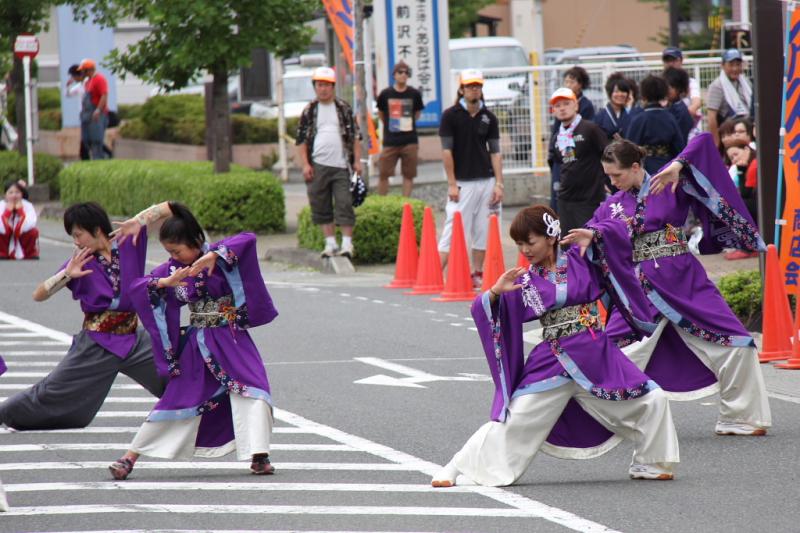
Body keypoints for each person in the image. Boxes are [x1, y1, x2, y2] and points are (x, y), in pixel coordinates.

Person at [431, 205, 679, 487]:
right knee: (517, 419)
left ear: (550, 237)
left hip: (597, 354)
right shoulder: (523, 281)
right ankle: (457, 466)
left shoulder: (582, 258)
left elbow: (620, 237)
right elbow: (484, 310)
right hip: (554, 358)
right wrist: (495, 293)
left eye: (531, 241)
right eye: (520, 243)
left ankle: (651, 462)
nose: (525, 249)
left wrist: (596, 235)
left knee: (652, 398)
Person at [594, 137, 771, 437]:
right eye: (608, 176)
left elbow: (703, 142)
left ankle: (741, 415)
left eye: (616, 175)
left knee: (738, 343)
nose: (612, 182)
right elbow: (592, 235)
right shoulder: (612, 205)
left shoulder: (669, 182)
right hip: (639, 290)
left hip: (684, 279)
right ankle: (612, 421)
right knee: (608, 354)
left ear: (636, 167)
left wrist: (678, 165)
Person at [107, 202, 279, 480]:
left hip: (232, 339)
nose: (174, 256)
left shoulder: (218, 256)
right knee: (177, 398)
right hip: (199, 345)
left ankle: (259, 456)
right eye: (169, 252)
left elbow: (248, 238)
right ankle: (129, 457)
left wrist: (216, 256)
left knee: (253, 390)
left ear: (196, 241)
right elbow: (137, 289)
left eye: (177, 250)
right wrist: (164, 284)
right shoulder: (173, 269)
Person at [0, 202, 165, 430]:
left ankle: (206, 414)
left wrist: (139, 220)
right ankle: (4, 413)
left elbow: (168, 208)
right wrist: (66, 275)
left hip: (134, 339)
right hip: (97, 343)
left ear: (96, 230)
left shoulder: (128, 242)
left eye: (78, 234)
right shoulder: (79, 262)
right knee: (50, 391)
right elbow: (38, 294)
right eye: (73, 236)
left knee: (173, 371)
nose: (76, 242)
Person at [438, 69, 504, 288]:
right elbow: (446, 152)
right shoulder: (450, 115)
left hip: (486, 181)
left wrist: (499, 183)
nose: (473, 89)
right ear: (461, 89)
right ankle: (436, 272)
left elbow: (495, 152)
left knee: (482, 230)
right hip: (462, 183)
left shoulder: (489, 117)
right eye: (469, 86)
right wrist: (451, 183)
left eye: (477, 85)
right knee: (453, 226)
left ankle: (477, 273)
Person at [296, 66, 362, 258]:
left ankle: (347, 245)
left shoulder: (343, 108)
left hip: (342, 165)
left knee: (344, 203)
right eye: (319, 85)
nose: (323, 89)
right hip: (318, 165)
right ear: (315, 87)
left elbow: (356, 136)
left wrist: (357, 161)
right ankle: (330, 243)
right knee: (321, 204)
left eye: (326, 85)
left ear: (333, 87)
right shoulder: (309, 110)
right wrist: (305, 164)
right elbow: (300, 139)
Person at [547, 88, 609, 236]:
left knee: (591, 244)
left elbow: (607, 154)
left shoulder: (590, 129)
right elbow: (556, 165)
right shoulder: (556, 137)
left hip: (590, 198)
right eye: (557, 105)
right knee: (569, 246)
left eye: (566, 103)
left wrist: (607, 181)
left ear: (576, 105)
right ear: (553, 111)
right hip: (565, 200)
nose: (562, 108)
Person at [549, 66, 596, 210]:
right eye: (566, 81)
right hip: (562, 152)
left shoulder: (586, 105)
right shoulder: (560, 108)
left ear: (581, 84)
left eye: (572, 82)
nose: (568, 85)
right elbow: (555, 133)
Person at [376, 61, 425, 197]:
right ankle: (383, 203)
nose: (403, 75)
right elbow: (381, 113)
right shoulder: (385, 94)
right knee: (383, 173)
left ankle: (405, 204)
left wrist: (407, 123)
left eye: (406, 72)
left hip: (410, 141)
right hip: (390, 141)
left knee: (409, 174)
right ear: (394, 75)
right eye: (400, 72)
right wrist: (389, 125)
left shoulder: (414, 93)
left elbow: (417, 113)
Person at [625, 75, 685, 175]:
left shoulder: (638, 119)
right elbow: (679, 148)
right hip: (667, 167)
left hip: (644, 169)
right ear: (663, 93)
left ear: (643, 95)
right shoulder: (670, 118)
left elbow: (629, 149)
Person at [706, 49, 752, 147]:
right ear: (722, 65)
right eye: (731, 65)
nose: (735, 68)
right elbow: (711, 117)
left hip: (746, 133)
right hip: (728, 136)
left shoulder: (746, 82)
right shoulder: (717, 86)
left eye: (738, 64)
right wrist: (716, 143)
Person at [77, 58, 110, 160]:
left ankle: (100, 160)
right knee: (87, 140)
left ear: (88, 70)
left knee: (96, 141)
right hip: (87, 116)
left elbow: (104, 95)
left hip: (97, 116)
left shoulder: (99, 79)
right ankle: (96, 159)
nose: (81, 72)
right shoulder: (88, 81)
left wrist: (98, 110)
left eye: (83, 70)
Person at [662, 47, 702, 128]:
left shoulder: (690, 82)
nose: (670, 64)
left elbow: (697, 103)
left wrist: (682, 116)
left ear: (681, 61)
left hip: (688, 128)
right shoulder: (660, 83)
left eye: (673, 60)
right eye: (667, 60)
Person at [0, 180, 39, 259]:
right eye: (10, 192)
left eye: (17, 192)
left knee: (33, 231)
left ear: (22, 194)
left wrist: (21, 212)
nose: (14, 195)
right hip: (5, 240)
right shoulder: (1, 205)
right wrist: (7, 213)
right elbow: (1, 228)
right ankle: (2, 253)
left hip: (23, 239)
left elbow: (31, 223)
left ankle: (30, 253)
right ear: (5, 195)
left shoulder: (27, 205)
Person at [594, 73, 631, 141]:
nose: (620, 94)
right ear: (610, 93)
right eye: (616, 91)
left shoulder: (631, 114)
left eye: (623, 91)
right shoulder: (600, 116)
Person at [663, 67, 694, 142]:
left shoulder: (680, 111)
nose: (667, 90)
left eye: (671, 87)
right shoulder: (670, 106)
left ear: (680, 89)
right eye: (666, 86)